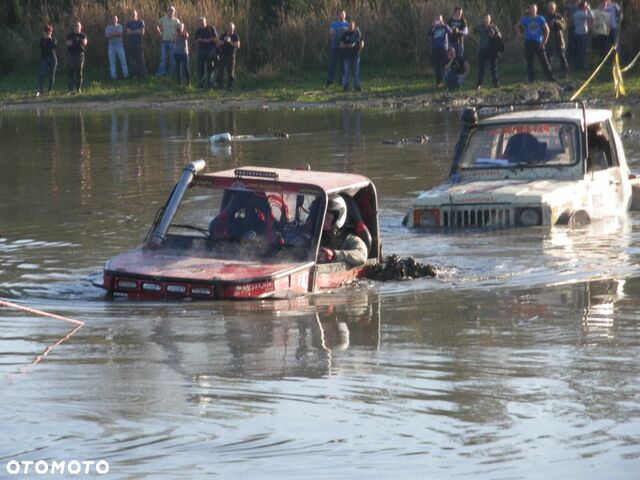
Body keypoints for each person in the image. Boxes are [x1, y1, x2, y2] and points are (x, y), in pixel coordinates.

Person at [317, 195, 368, 267]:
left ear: (338, 217)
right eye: (321, 215)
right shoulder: (314, 235)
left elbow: (362, 255)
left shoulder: (348, 238)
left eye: (327, 216)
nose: (323, 220)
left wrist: (334, 254)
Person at [514, 4, 555, 83]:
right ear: (529, 10)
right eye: (531, 9)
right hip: (528, 42)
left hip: (538, 42)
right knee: (529, 62)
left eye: (534, 9)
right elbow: (516, 26)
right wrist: (520, 35)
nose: (532, 10)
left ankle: (551, 78)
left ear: (536, 10)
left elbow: (547, 30)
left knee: (544, 61)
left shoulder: (540, 19)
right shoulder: (525, 19)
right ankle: (531, 79)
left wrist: (544, 42)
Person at [473, 13, 502, 89]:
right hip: (482, 49)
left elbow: (500, 35)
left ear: (490, 19)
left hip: (491, 50)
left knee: (494, 67)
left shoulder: (493, 26)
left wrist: (494, 35)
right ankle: (479, 84)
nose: (486, 20)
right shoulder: (479, 26)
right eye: (485, 18)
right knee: (481, 67)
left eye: (488, 18)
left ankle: (496, 83)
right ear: (483, 19)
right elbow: (470, 33)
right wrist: (476, 41)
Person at [427, 15, 453, 87]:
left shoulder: (445, 26)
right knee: (437, 66)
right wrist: (433, 26)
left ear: (442, 20)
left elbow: (451, 32)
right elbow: (428, 34)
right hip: (435, 48)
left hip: (444, 48)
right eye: (437, 19)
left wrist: (444, 25)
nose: (438, 21)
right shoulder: (433, 27)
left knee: (444, 65)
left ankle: (445, 81)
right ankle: (438, 82)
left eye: (440, 19)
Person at [339, 20, 364, 92]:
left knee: (356, 72)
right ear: (348, 26)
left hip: (355, 56)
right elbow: (340, 45)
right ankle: (345, 87)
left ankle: (357, 86)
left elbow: (362, 43)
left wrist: (360, 48)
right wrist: (348, 46)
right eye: (349, 25)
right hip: (347, 57)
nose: (350, 27)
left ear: (354, 26)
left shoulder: (357, 33)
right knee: (346, 72)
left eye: (352, 25)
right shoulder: (344, 34)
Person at [326, 10, 350, 86]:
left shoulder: (348, 24)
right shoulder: (334, 24)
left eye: (342, 14)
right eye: (339, 14)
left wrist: (340, 32)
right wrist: (342, 31)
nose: (341, 16)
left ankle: (341, 81)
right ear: (337, 15)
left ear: (345, 15)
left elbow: (351, 34)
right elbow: (331, 32)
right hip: (335, 47)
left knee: (343, 65)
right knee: (332, 64)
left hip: (344, 48)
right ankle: (330, 81)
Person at [545, 2, 569, 77]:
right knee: (547, 57)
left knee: (562, 56)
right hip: (549, 40)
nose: (551, 9)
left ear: (555, 8)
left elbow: (564, 26)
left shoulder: (559, 16)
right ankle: (548, 73)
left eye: (552, 8)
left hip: (559, 40)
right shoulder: (545, 17)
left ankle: (565, 72)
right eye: (550, 8)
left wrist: (557, 22)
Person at [156, 5, 180, 76]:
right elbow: (157, 24)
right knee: (163, 59)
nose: (171, 12)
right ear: (167, 11)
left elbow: (180, 29)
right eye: (169, 10)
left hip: (173, 42)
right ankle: (161, 73)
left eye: (172, 10)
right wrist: (159, 32)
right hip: (164, 41)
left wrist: (176, 36)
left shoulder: (176, 20)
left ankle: (170, 73)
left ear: (174, 12)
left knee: (172, 60)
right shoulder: (163, 19)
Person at [216, 22, 240, 91]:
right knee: (221, 72)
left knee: (231, 73)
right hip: (222, 56)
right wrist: (224, 41)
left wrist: (230, 42)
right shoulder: (223, 36)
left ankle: (230, 87)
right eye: (229, 27)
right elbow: (217, 44)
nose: (230, 29)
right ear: (226, 28)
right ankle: (220, 87)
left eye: (231, 27)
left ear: (233, 28)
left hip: (231, 56)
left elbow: (238, 45)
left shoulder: (235, 36)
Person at [194, 17, 218, 89]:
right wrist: (199, 40)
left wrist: (207, 40)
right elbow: (195, 40)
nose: (201, 24)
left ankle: (210, 85)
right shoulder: (198, 30)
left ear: (205, 22)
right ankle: (201, 85)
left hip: (210, 51)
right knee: (200, 68)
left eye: (202, 22)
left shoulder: (211, 28)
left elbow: (216, 38)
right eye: (200, 23)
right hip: (201, 51)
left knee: (210, 68)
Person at [35, 25, 57, 97]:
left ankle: (49, 90)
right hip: (44, 59)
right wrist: (45, 39)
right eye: (46, 32)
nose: (47, 33)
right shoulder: (42, 39)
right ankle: (38, 90)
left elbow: (54, 46)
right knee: (41, 74)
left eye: (49, 32)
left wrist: (49, 39)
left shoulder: (53, 39)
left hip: (52, 59)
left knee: (51, 76)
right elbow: (41, 46)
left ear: (51, 32)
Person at [66, 21, 87, 94]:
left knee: (79, 72)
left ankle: (78, 88)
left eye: (78, 26)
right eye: (75, 26)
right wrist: (77, 41)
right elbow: (68, 43)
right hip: (71, 55)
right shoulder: (70, 35)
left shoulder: (83, 35)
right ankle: (70, 89)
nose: (77, 27)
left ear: (81, 27)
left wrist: (77, 40)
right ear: (73, 27)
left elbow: (85, 43)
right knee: (71, 72)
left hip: (80, 55)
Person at [105, 15, 128, 80]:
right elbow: (107, 36)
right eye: (113, 19)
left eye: (115, 19)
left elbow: (120, 34)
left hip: (119, 45)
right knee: (112, 62)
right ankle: (113, 77)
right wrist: (115, 33)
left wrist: (111, 34)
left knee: (123, 60)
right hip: (111, 46)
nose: (114, 20)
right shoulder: (108, 27)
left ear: (117, 19)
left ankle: (126, 75)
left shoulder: (120, 26)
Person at [572, 1, 594, 70]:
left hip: (577, 32)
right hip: (582, 33)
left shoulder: (575, 13)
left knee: (578, 50)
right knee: (582, 51)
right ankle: (580, 66)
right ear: (583, 7)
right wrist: (589, 9)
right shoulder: (581, 14)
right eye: (586, 6)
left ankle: (577, 65)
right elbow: (592, 16)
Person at [126, 9, 146, 79]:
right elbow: (128, 33)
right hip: (131, 44)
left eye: (134, 14)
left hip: (139, 43)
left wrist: (132, 31)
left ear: (137, 14)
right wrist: (137, 30)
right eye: (132, 14)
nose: (133, 15)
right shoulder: (128, 23)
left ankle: (142, 75)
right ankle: (135, 75)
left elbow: (142, 32)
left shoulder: (140, 22)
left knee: (141, 60)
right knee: (132, 60)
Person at [565, 0, 580, 66]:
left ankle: (576, 61)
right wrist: (567, 21)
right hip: (571, 26)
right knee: (570, 43)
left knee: (577, 44)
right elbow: (565, 15)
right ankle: (568, 61)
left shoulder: (581, 4)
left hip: (579, 27)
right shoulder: (569, 4)